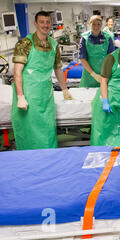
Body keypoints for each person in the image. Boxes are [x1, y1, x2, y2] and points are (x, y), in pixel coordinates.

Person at [11, 11, 74, 150]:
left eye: (47, 22)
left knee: (47, 130)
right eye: (42, 22)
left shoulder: (53, 44)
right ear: (35, 24)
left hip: (45, 93)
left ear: (51, 24)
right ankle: (28, 160)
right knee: (30, 130)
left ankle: (49, 158)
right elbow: (17, 72)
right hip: (28, 93)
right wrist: (21, 96)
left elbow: (58, 69)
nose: (45, 25)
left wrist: (64, 89)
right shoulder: (25, 44)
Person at [79, 15, 116, 88]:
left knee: (104, 96)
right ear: (89, 24)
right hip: (89, 75)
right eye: (93, 24)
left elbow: (111, 57)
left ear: (101, 25)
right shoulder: (84, 38)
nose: (96, 26)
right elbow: (83, 58)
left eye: (98, 24)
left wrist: (108, 73)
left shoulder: (107, 37)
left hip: (105, 73)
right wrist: (93, 74)